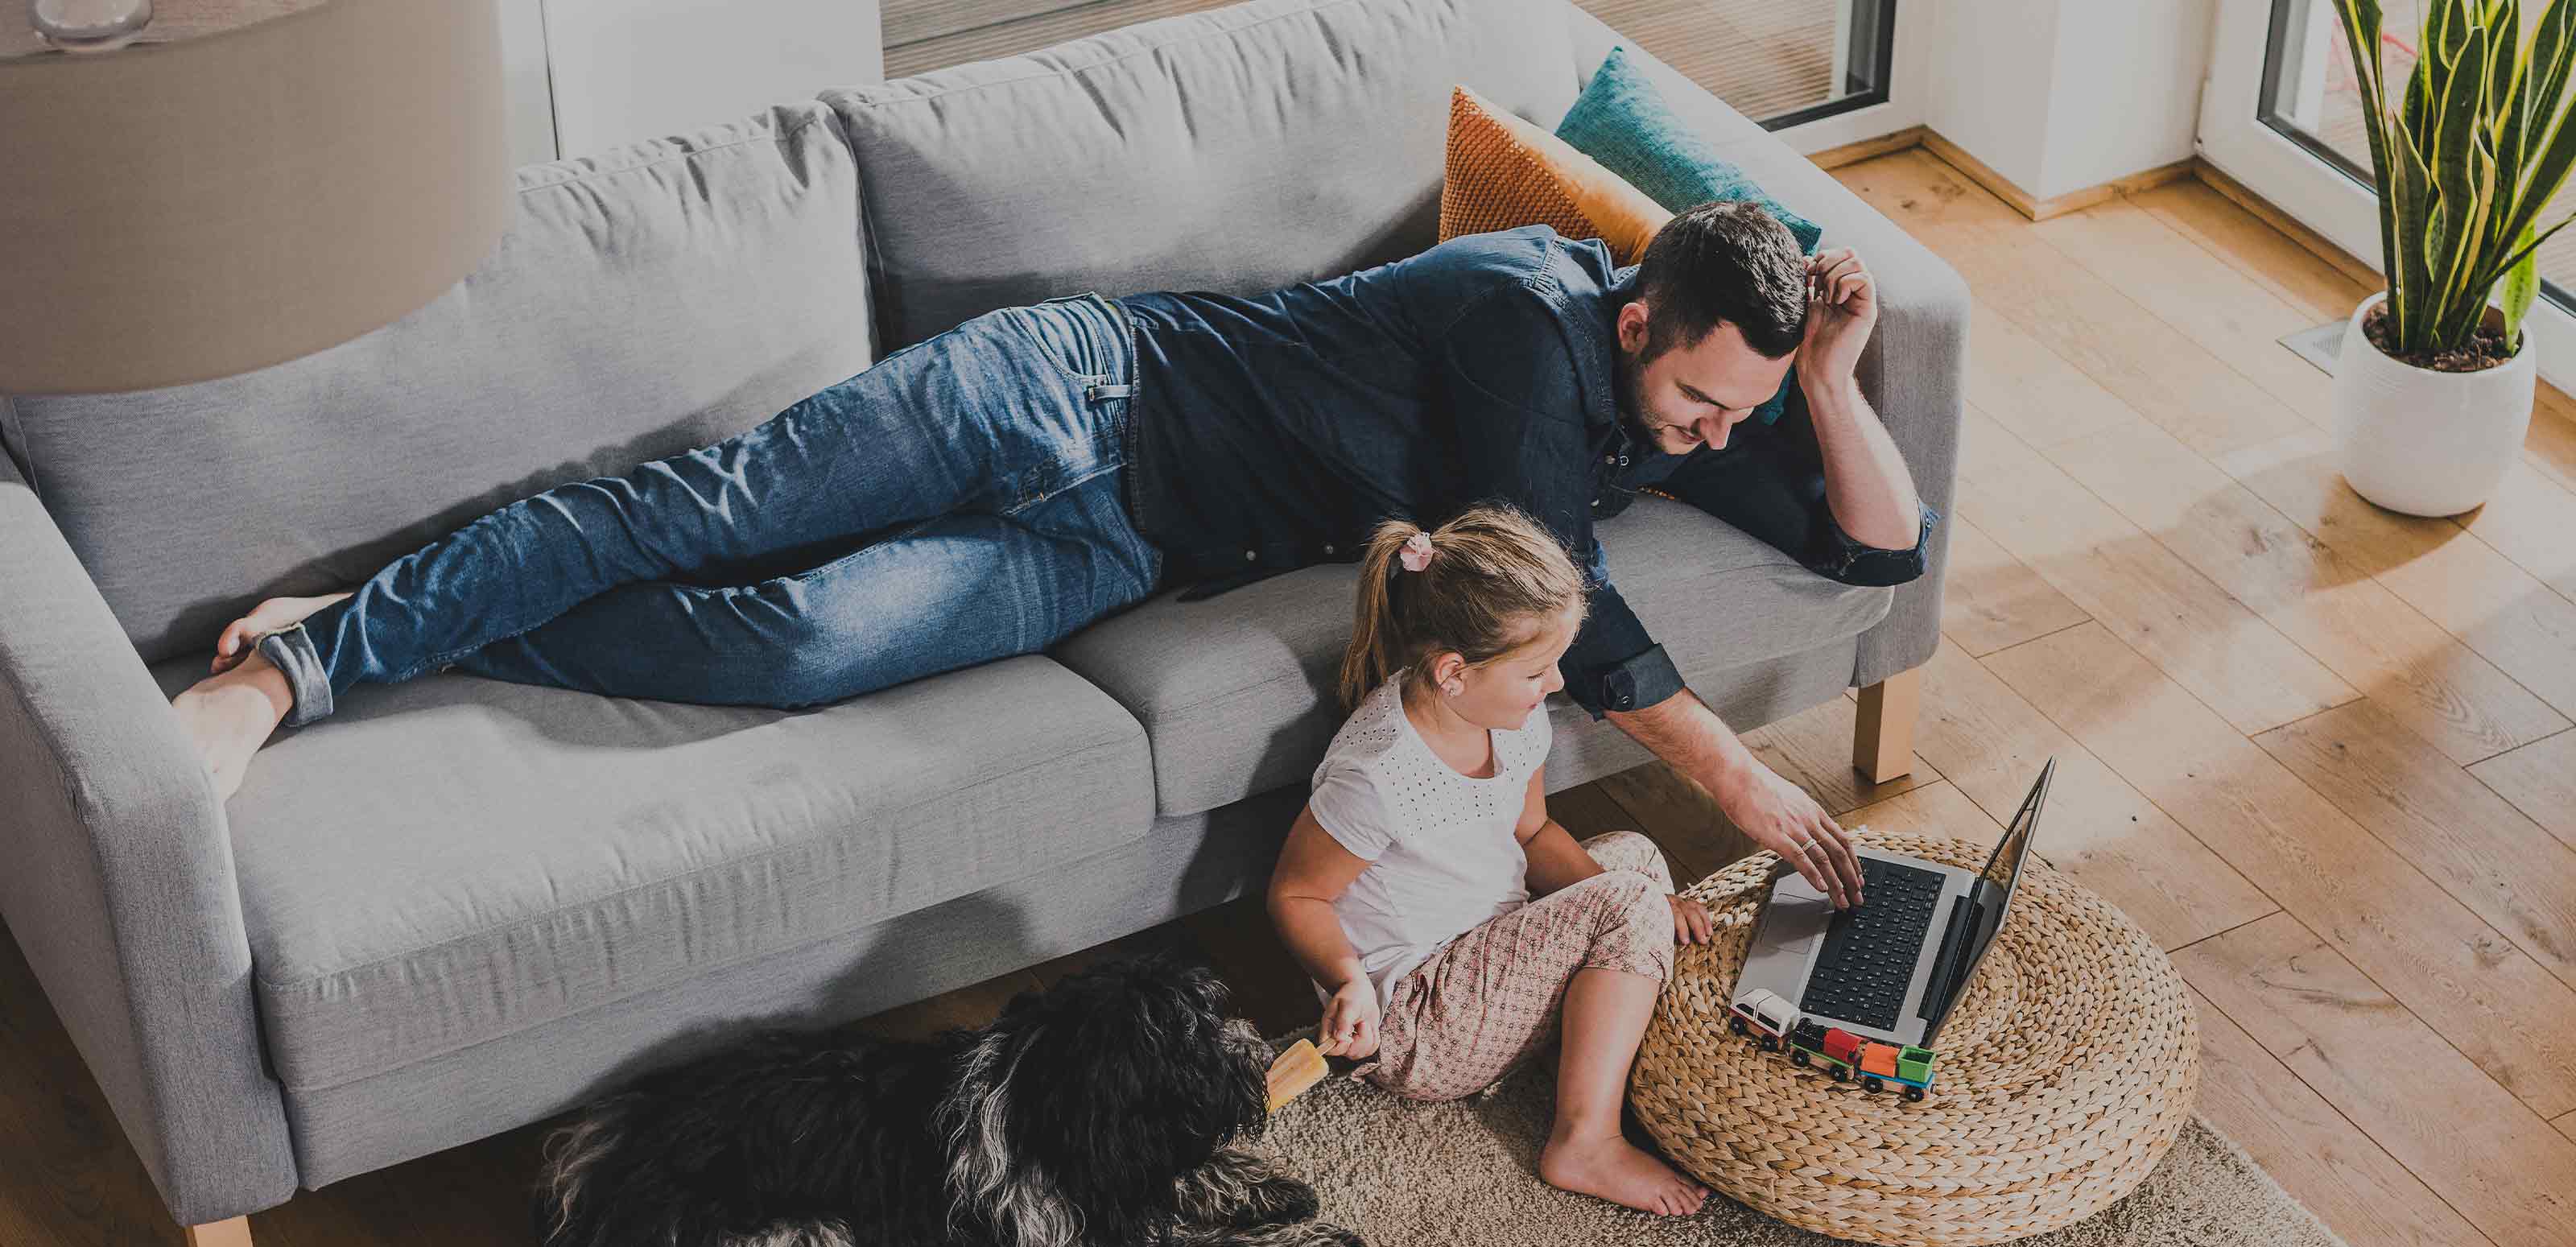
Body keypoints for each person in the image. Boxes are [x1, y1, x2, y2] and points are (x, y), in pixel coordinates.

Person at [175, 200, 1927, 913]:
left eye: (1730, 417)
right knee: (695, 513)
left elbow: (1872, 553)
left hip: (1126, 541)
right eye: (1695, 402)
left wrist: (1827, 383)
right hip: (1067, 393)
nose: (1706, 440)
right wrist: (1729, 770)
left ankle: (405, 618)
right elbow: (1566, 574)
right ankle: (292, 670)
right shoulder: (1520, 323)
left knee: (787, 650)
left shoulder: (1714, 379)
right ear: (1637, 316)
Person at [1266, 505, 1714, 1216]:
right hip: (1420, 1022)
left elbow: (1532, 835)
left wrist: (1640, 902)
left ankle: (1620, 1048)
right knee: (1627, 899)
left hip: (1489, 950)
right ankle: (1584, 1139)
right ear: (1453, 672)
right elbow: (1297, 895)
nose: (1558, 684)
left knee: (1633, 857)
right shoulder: (1378, 772)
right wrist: (1347, 980)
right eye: (1538, 670)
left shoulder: (1511, 714)